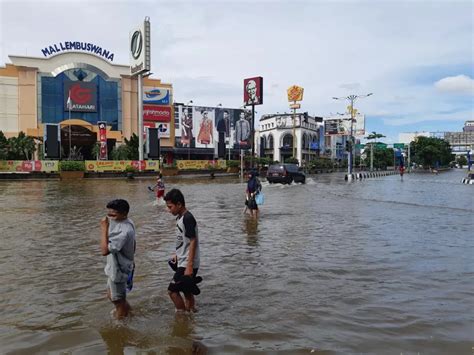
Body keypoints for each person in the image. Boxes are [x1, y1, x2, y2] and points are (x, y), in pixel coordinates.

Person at [164, 189, 201, 312]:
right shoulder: (180, 218)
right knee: (187, 291)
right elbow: (182, 239)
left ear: (179, 204)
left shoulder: (188, 218)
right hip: (182, 260)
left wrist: (189, 266)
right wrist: (176, 253)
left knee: (172, 291)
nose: (168, 210)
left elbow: (193, 241)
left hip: (187, 263)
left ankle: (182, 316)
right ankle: (191, 314)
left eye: (170, 207)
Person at [100, 199, 136, 319]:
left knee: (118, 300)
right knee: (112, 296)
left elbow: (104, 251)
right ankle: (130, 313)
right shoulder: (126, 221)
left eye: (113, 215)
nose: (109, 217)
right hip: (116, 266)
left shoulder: (124, 231)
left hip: (119, 269)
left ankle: (121, 326)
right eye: (108, 214)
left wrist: (104, 228)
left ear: (124, 213)